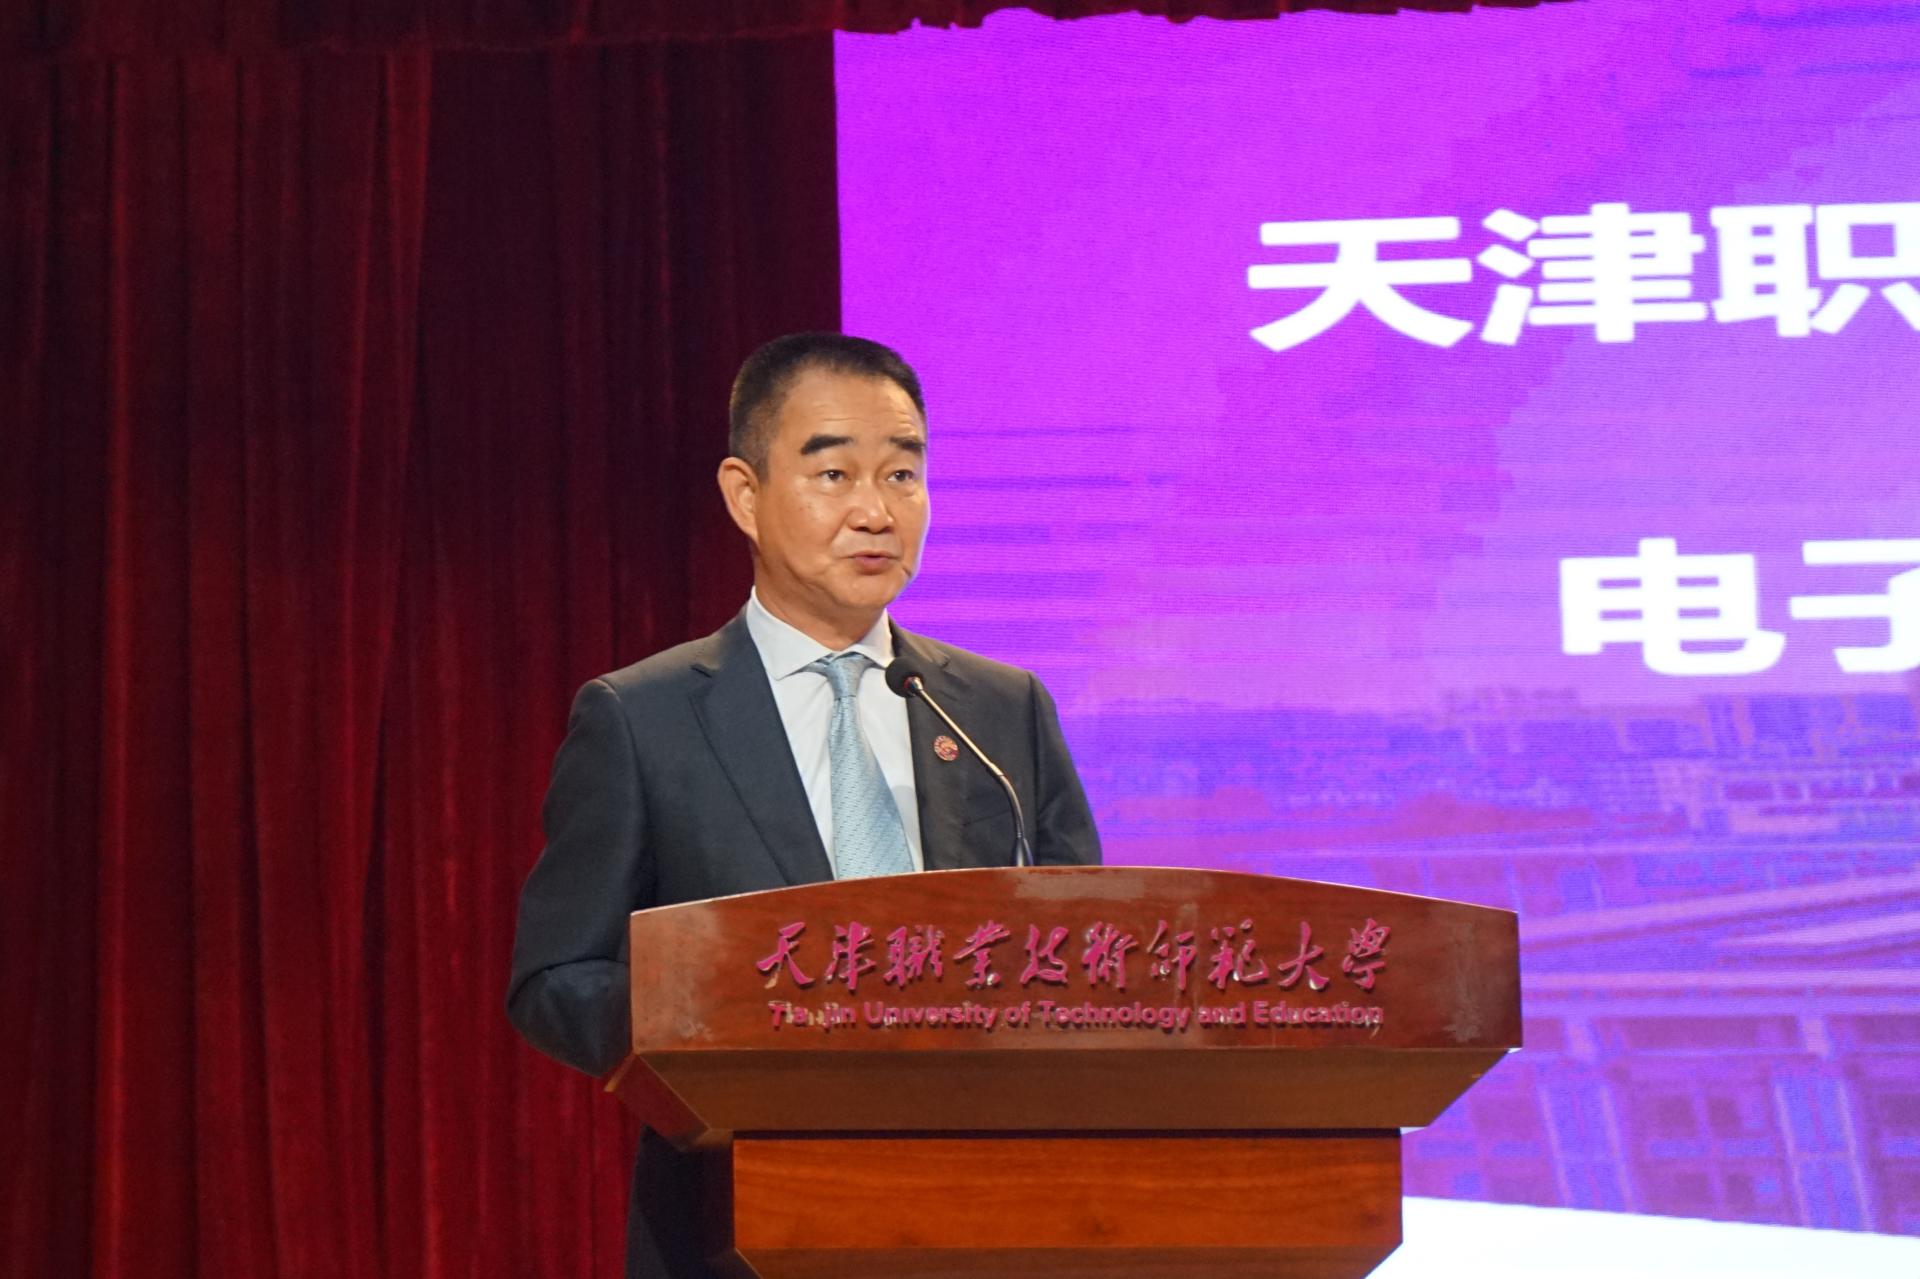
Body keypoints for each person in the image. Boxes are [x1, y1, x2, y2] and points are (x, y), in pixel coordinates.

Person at [506, 332, 1102, 1279]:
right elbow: (555, 977)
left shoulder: (999, 710)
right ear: (745, 495)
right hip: (737, 1221)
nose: (876, 511)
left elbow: (1089, 952)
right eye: (834, 474)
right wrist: (722, 1028)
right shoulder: (642, 718)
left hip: (988, 1216)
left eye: (903, 474)